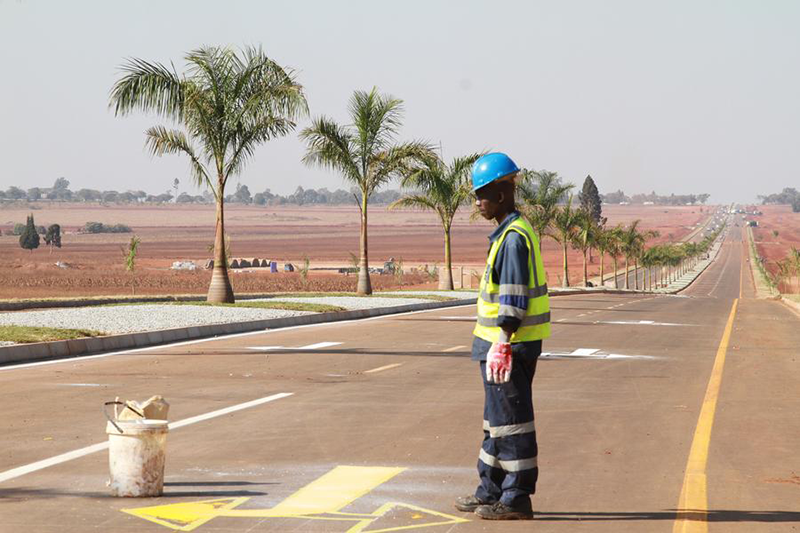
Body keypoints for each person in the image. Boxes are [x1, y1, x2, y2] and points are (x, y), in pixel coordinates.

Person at [454, 152, 550, 520]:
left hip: (507, 345)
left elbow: (512, 296)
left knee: (512, 423)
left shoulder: (512, 238)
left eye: (482, 193)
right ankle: (490, 489)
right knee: (496, 423)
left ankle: (516, 498)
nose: (477, 201)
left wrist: (502, 342)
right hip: (499, 345)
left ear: (502, 193)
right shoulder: (509, 233)